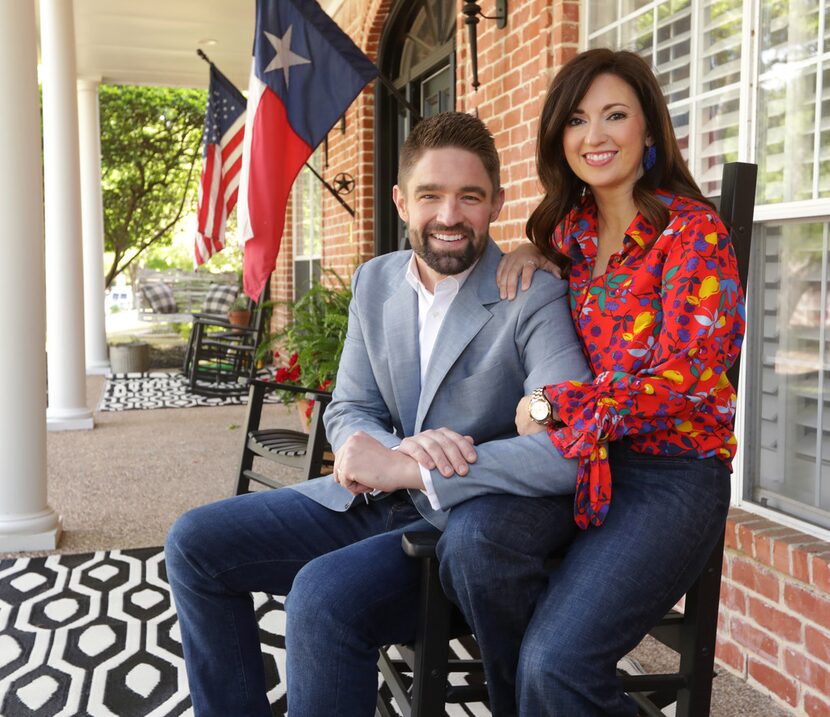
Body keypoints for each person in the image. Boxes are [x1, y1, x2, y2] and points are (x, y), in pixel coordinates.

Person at [165, 111, 591, 717]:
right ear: (399, 201)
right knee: (194, 543)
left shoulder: (534, 294)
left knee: (321, 598)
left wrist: (417, 470)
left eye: (469, 197)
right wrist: (371, 445)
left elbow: (569, 445)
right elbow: (352, 405)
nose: (449, 216)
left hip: (456, 531)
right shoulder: (374, 281)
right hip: (365, 503)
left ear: (496, 203)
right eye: (430, 196)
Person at [493, 49, 745, 715]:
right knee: (473, 551)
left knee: (555, 665)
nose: (594, 135)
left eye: (614, 115)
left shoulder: (693, 232)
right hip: (582, 465)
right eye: (577, 119)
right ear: (559, 136)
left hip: (672, 475)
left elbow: (685, 378)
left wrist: (555, 404)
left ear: (649, 129)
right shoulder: (565, 233)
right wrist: (527, 249)